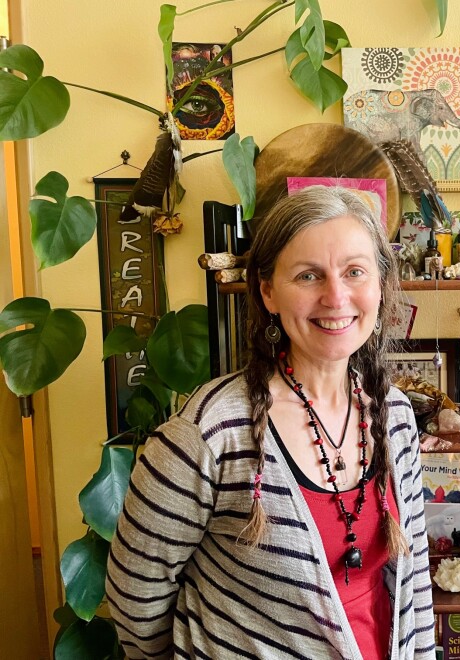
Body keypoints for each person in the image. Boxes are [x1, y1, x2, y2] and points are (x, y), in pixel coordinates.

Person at [107, 186, 435, 659]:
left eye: (355, 272)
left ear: (379, 286)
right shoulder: (210, 432)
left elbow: (414, 578)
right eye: (308, 275)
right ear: (268, 292)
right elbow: (135, 597)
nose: (336, 296)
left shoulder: (395, 414)